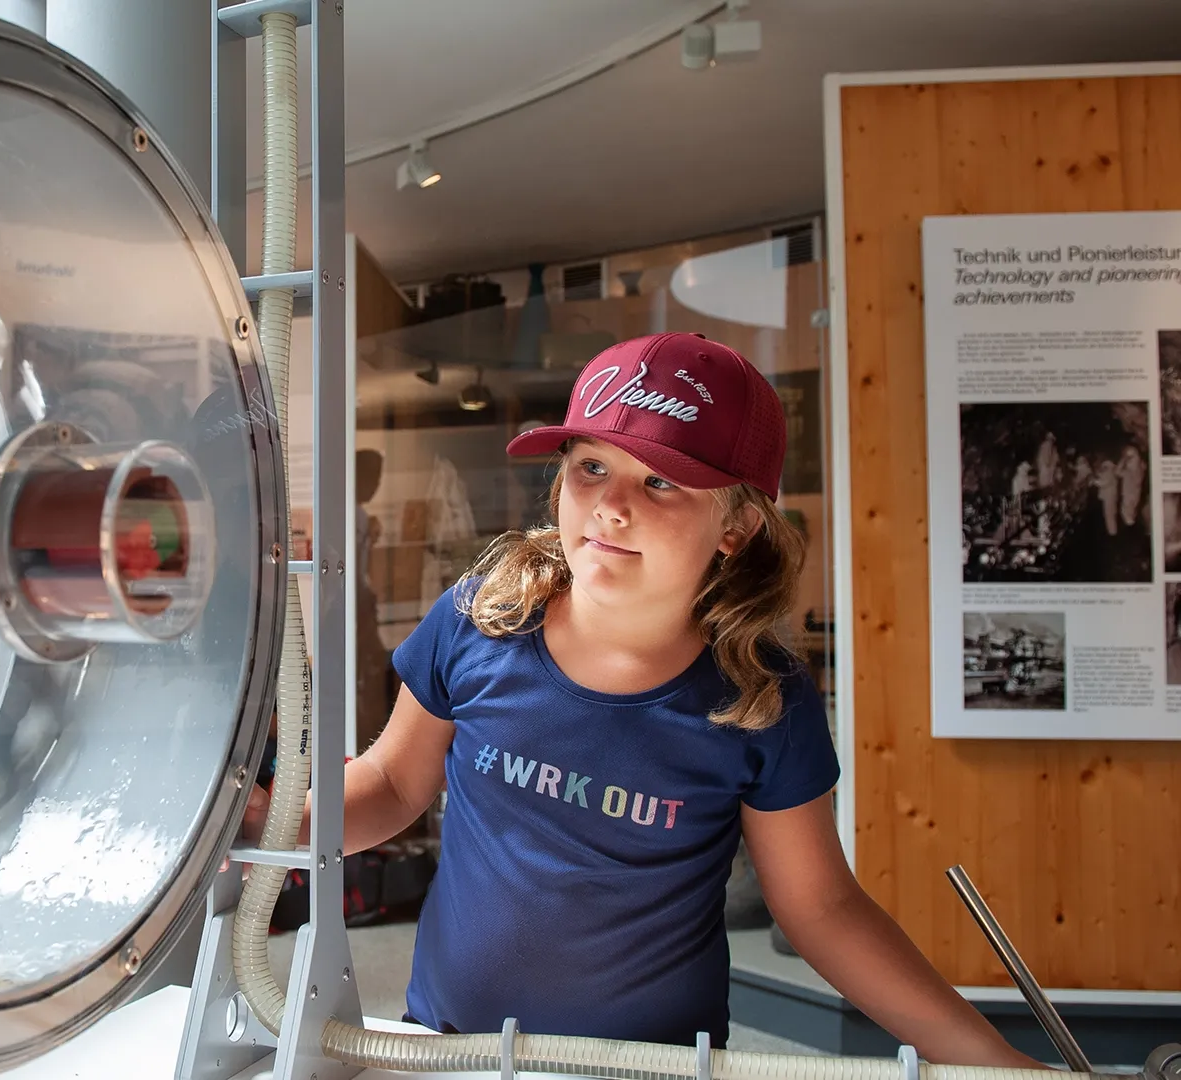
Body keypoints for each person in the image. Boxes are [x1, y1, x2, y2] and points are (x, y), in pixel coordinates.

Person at [241, 334, 1043, 1067]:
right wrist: (266, 821)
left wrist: (997, 1065)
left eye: (660, 480)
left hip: (655, 1065)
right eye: (591, 466)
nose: (610, 505)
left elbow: (823, 909)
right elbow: (392, 784)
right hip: (451, 1049)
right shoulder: (481, 618)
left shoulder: (762, 698)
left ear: (737, 526)